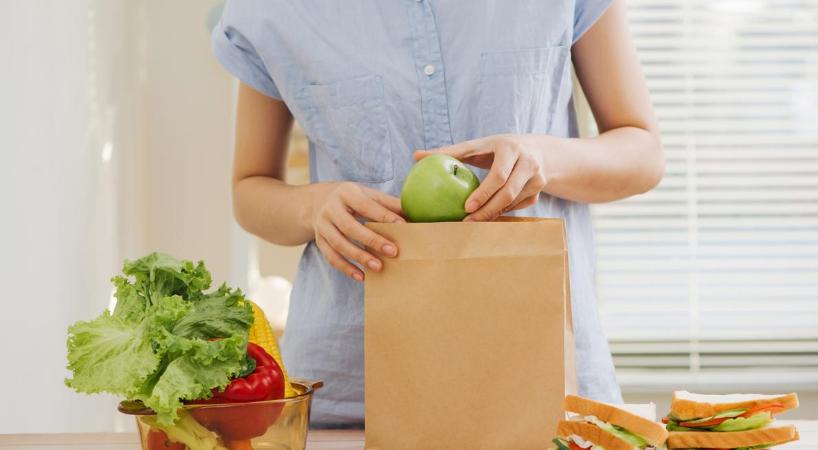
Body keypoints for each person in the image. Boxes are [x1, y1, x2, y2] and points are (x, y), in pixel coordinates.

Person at [212, 0, 664, 427]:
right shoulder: (272, 9)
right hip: (354, 391)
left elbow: (642, 153)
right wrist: (313, 207)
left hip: (542, 378)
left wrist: (542, 157)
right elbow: (249, 189)